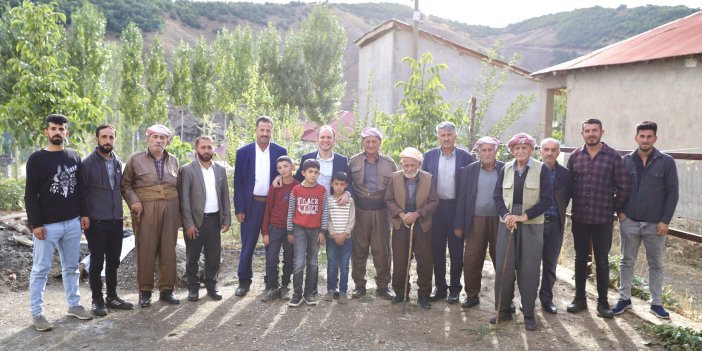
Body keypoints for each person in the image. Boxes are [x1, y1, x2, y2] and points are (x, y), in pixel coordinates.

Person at [25, 114, 92, 331]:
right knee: (41, 269)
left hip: (72, 223)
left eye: (61, 129)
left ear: (66, 132)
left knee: (71, 268)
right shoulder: (36, 159)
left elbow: (81, 189)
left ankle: (74, 305)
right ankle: (37, 313)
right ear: (46, 132)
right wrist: (36, 224)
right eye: (53, 128)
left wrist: (84, 214)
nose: (57, 132)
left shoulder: (74, 156)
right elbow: (30, 195)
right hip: (47, 226)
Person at [612, 121, 678, 319]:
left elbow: (672, 193)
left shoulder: (666, 162)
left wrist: (665, 220)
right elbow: (617, 187)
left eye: (649, 136)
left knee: (656, 264)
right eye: (642, 136)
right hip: (629, 221)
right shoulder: (625, 161)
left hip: (655, 224)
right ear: (636, 138)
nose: (645, 140)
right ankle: (624, 299)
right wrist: (620, 212)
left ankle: (656, 303)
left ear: (655, 139)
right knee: (626, 261)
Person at [566, 118, 630, 318]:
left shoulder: (613, 157)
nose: (591, 134)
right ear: (582, 133)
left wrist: (612, 206)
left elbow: (624, 187)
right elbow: (568, 186)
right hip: (580, 218)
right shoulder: (575, 156)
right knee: (579, 258)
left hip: (603, 219)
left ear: (602, 132)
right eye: (587, 130)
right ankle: (579, 299)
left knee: (602, 261)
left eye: (595, 130)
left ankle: (603, 302)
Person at [492, 133, 552, 331]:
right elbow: (497, 196)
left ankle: (528, 314)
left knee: (529, 269)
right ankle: (503, 311)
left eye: (524, 148)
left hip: (531, 224)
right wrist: (506, 214)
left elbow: (546, 200)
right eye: (516, 148)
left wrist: (524, 216)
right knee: (504, 267)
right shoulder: (505, 168)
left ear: (531, 149)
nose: (520, 151)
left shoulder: (541, 169)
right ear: (511, 150)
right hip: (507, 223)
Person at [121, 124, 181, 307]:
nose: (158, 140)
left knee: (168, 251)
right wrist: (134, 201)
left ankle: (166, 291)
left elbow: (177, 187)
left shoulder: (174, 161)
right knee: (146, 249)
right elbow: (125, 185)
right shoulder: (135, 159)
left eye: (162, 138)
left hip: (170, 209)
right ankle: (145, 292)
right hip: (145, 210)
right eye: (155, 137)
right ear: (148, 139)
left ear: (167, 141)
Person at [81, 124, 133, 316]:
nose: (107, 141)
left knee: (114, 260)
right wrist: (84, 215)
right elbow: (82, 192)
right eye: (104, 137)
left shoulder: (118, 163)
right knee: (96, 261)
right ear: (97, 139)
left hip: (116, 220)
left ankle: (112, 296)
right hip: (96, 221)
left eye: (111, 137)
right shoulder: (87, 163)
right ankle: (97, 300)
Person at [233, 116, 287, 297]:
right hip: (250, 205)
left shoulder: (280, 151)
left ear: (272, 131)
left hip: (272, 206)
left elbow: (286, 173)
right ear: (256, 130)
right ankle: (244, 281)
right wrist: (239, 208)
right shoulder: (243, 152)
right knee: (248, 244)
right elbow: (238, 183)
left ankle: (270, 281)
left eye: (268, 130)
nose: (265, 134)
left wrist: (281, 177)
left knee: (271, 245)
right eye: (262, 130)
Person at [421, 122, 473, 303]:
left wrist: (463, 218)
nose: (446, 138)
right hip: (436, 209)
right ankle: (441, 287)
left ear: (455, 136)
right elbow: (423, 184)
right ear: (438, 137)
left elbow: (469, 190)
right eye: (443, 135)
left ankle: (455, 288)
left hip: (456, 208)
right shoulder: (429, 156)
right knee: (437, 250)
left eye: (449, 135)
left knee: (457, 250)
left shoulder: (466, 157)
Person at [178, 136, 231, 302]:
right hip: (195, 221)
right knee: (192, 256)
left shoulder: (220, 170)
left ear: (213, 149)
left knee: (213, 256)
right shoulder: (187, 170)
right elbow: (184, 199)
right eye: (203, 147)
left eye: (209, 147)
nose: (207, 151)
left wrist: (227, 218)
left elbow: (225, 196)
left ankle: (211, 285)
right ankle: (193, 288)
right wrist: (188, 224)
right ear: (197, 149)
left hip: (214, 219)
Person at [454, 136, 504, 309]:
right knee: (472, 259)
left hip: (500, 221)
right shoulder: (469, 170)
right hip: (475, 220)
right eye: (484, 150)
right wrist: (459, 224)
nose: (487, 153)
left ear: (496, 151)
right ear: (479, 152)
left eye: (491, 149)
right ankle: (472, 295)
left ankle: (504, 299)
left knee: (502, 259)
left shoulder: (505, 169)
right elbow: (461, 199)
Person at [386, 147, 439, 309]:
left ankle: (424, 295)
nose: (409, 169)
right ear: (401, 164)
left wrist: (417, 213)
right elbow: (388, 199)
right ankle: (401, 292)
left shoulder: (428, 178)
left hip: (422, 225)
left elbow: (434, 202)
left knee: (424, 260)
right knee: (401, 260)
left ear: (419, 164)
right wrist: (401, 214)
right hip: (401, 224)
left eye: (412, 165)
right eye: (405, 165)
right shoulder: (394, 178)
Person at [349, 127, 398, 300]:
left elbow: (395, 188)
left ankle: (383, 286)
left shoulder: (389, 163)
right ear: (362, 143)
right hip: (360, 211)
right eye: (367, 141)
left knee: (382, 250)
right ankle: (359, 285)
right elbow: (348, 186)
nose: (370, 144)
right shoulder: (353, 162)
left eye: (374, 141)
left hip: (381, 212)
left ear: (380, 143)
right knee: (359, 249)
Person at [286, 159, 330, 307]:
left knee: (312, 262)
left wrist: (323, 231)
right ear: (303, 173)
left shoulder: (322, 190)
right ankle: (297, 294)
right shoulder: (296, 190)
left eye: (316, 172)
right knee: (299, 262)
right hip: (299, 230)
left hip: (315, 231)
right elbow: (291, 211)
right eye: (310, 172)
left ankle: (309, 293)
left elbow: (324, 212)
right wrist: (290, 230)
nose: (313, 175)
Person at [537, 138, 572, 314]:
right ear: (540, 151)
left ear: (558, 152)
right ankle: (527, 298)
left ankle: (546, 299)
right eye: (546, 149)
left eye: (553, 150)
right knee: (531, 264)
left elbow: (567, 199)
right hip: (534, 225)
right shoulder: (532, 170)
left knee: (550, 265)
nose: (549, 153)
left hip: (555, 224)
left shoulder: (565, 174)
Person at [261, 156, 299, 302]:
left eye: (286, 166)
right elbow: (268, 209)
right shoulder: (275, 186)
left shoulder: (297, 187)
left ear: (292, 167)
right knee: (271, 258)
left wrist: (294, 230)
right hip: (274, 228)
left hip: (290, 229)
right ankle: (273, 287)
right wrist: (265, 232)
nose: (283, 170)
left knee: (289, 258)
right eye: (279, 168)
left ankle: (285, 286)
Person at [324, 171, 356, 304]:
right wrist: (333, 233)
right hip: (332, 238)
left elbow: (352, 218)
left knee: (344, 265)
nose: (339, 187)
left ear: (346, 185)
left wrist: (346, 233)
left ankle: (343, 291)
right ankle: (331, 290)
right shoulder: (328, 200)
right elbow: (327, 218)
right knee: (331, 265)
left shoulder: (350, 201)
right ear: (331, 184)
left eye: (342, 184)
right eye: (336, 184)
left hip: (347, 239)